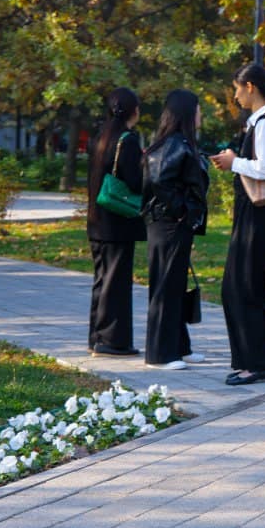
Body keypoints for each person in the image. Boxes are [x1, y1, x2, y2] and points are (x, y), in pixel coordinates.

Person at [210, 63, 265, 386]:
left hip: (258, 217)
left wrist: (235, 163)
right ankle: (249, 360)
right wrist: (236, 160)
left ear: (250, 87)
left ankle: (256, 364)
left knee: (246, 286)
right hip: (252, 215)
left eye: (236, 88)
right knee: (238, 286)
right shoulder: (259, 123)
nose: (234, 96)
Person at [142, 89, 210, 370]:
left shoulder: (177, 142)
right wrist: (182, 210)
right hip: (168, 224)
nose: (200, 114)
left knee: (174, 285)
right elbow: (160, 180)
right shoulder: (173, 144)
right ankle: (158, 354)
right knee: (165, 286)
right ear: (186, 112)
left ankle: (179, 347)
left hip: (173, 225)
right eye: (197, 108)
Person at [86, 87, 145, 357]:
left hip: (97, 219)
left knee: (101, 279)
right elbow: (133, 181)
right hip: (118, 220)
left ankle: (96, 337)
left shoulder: (100, 136)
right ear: (134, 111)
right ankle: (112, 340)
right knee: (116, 282)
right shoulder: (127, 140)